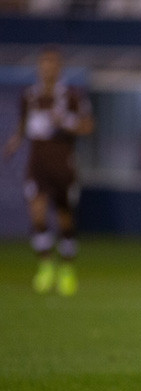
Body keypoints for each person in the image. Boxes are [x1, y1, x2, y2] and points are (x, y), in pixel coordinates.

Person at [3, 46, 94, 296]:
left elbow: (87, 126)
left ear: (60, 67)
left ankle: (67, 268)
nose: (48, 67)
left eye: (53, 63)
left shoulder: (71, 96)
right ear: (39, 67)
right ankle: (45, 265)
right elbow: (23, 124)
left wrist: (65, 122)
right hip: (37, 163)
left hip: (63, 162)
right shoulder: (30, 95)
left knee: (64, 218)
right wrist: (14, 142)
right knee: (37, 214)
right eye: (44, 62)